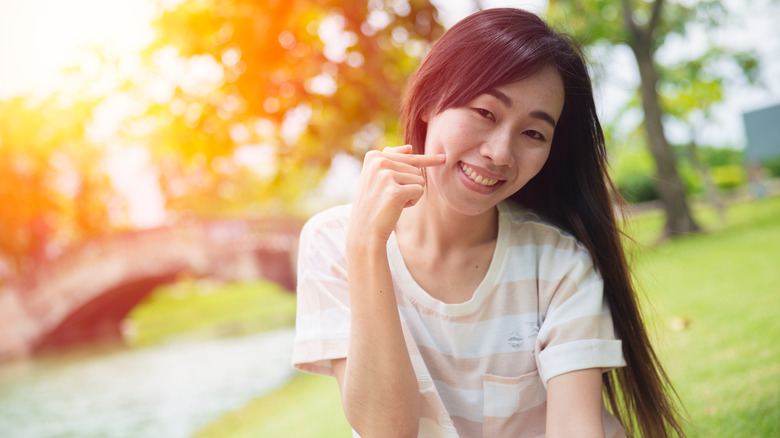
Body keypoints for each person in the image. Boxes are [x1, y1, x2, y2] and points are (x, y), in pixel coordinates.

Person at [292, 7, 686, 438]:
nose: (500, 153)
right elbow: (386, 431)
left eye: (533, 134)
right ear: (428, 102)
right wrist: (367, 245)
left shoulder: (558, 263)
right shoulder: (335, 242)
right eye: (485, 112)